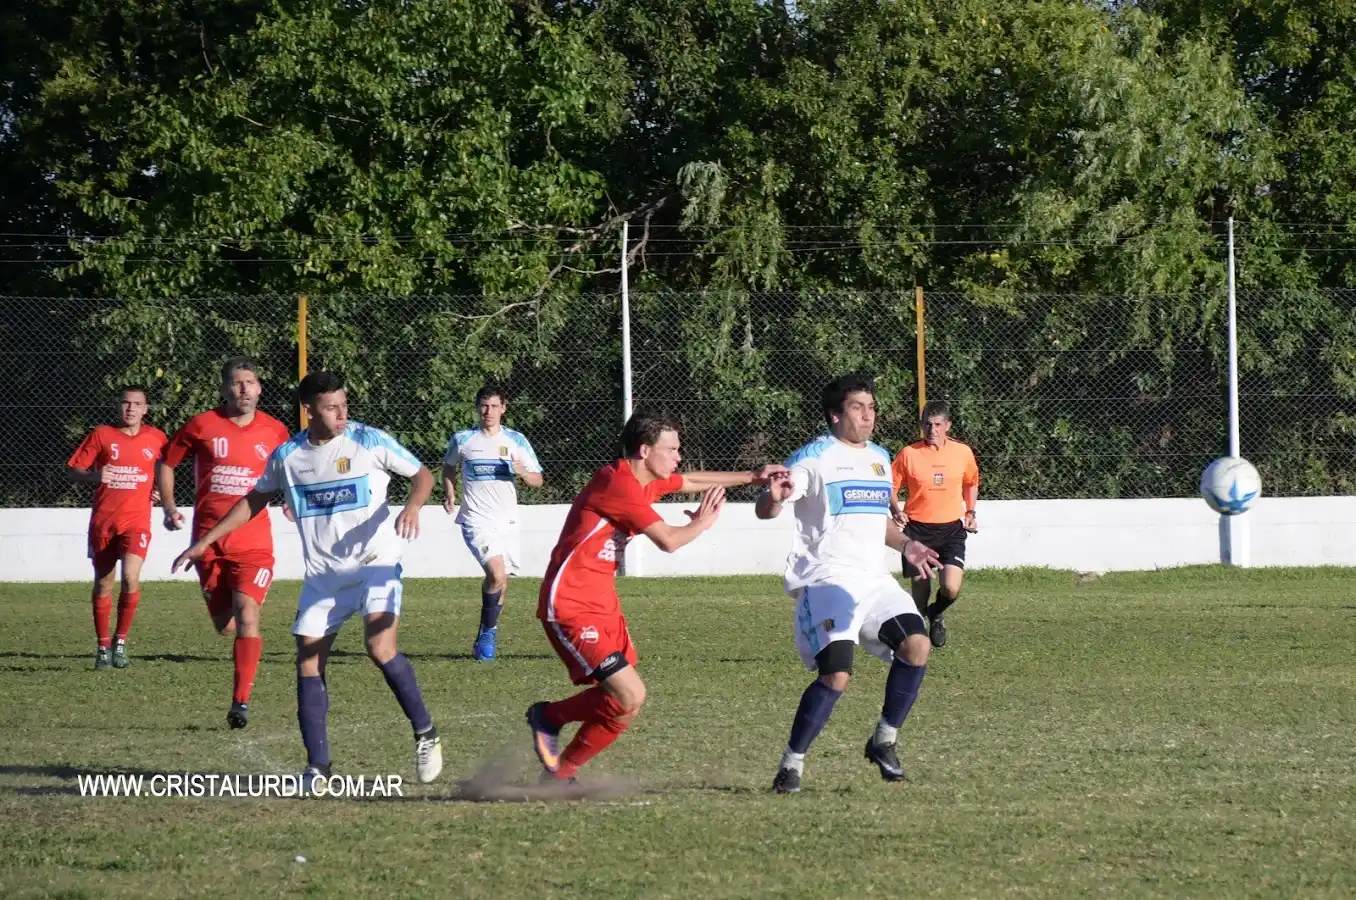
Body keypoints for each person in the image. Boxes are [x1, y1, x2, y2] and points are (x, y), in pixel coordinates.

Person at [172, 371, 444, 785]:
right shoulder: (288, 456)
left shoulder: (369, 440)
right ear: (309, 410)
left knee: (379, 646)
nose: (341, 413)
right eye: (331, 407)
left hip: (376, 563)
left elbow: (422, 475)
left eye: (344, 404)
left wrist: (413, 506)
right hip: (324, 577)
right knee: (308, 661)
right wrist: (205, 541)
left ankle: (426, 733)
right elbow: (254, 499)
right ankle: (318, 767)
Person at [524, 411, 786, 786]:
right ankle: (549, 718)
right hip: (571, 604)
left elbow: (691, 480)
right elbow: (669, 541)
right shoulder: (617, 484)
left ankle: (560, 774)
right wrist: (702, 523)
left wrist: (753, 476)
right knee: (630, 693)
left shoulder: (643, 481)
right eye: (672, 449)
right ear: (645, 451)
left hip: (604, 605)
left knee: (623, 703)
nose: (679, 456)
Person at [755, 374, 942, 794]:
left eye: (871, 407)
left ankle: (884, 740)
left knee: (917, 645)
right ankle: (791, 764)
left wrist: (908, 544)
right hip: (828, 581)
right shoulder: (814, 457)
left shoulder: (879, 458)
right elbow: (768, 506)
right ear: (835, 415)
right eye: (858, 407)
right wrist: (773, 498)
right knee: (836, 676)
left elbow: (880, 523)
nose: (868, 415)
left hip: (874, 580)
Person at [158, 357, 290, 729]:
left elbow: (292, 472)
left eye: (250, 382)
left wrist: (290, 500)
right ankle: (238, 662)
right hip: (207, 543)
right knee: (226, 626)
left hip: (254, 544)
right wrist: (169, 507)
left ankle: (240, 703)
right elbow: (166, 463)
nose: (244, 389)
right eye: (236, 382)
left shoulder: (276, 431)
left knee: (248, 615)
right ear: (224, 388)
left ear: (260, 388)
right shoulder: (202, 425)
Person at [66, 386, 168, 670]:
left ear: (145, 409)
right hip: (104, 522)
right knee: (103, 583)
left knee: (131, 578)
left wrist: (160, 490)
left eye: (137, 404)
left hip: (137, 521)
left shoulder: (157, 438)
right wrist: (94, 476)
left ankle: (120, 641)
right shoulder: (102, 435)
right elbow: (73, 470)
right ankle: (103, 647)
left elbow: (166, 469)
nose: (130, 408)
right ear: (118, 406)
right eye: (125, 403)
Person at [442, 385, 544, 661]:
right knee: (497, 574)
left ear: (503, 408)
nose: (488, 411)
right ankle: (488, 634)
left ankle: (487, 632)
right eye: (484, 406)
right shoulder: (463, 439)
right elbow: (449, 466)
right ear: (477, 408)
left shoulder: (516, 440)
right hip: (476, 519)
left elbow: (538, 479)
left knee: (499, 579)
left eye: (494, 406)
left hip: (507, 520)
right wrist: (449, 490)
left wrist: (523, 473)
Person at [889, 399, 980, 648]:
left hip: (951, 530)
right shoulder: (909, 453)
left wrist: (970, 511)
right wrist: (895, 509)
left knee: (951, 587)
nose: (932, 430)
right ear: (922, 425)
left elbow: (971, 482)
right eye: (927, 424)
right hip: (917, 531)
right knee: (920, 593)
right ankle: (916, 638)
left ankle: (936, 612)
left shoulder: (962, 452)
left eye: (938, 424)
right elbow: (890, 487)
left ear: (947, 425)